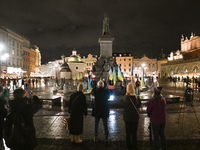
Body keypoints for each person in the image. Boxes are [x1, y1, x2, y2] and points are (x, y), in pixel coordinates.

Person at [123, 83, 141, 150]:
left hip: (127, 118)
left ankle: (127, 146)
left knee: (128, 133)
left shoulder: (125, 98)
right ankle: (134, 146)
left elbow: (121, 104)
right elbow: (139, 105)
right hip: (135, 118)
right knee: (134, 133)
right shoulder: (136, 98)